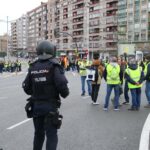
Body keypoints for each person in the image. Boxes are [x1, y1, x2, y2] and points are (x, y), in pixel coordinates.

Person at [22, 40, 69, 150]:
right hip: (50, 107)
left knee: (38, 135)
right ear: (52, 51)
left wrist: (36, 90)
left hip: (36, 106)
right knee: (51, 136)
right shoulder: (54, 66)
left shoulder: (33, 66)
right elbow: (62, 86)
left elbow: (26, 87)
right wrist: (65, 93)